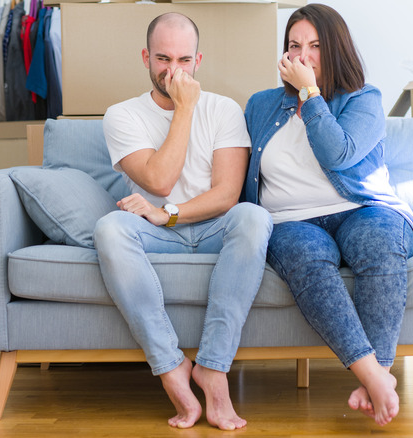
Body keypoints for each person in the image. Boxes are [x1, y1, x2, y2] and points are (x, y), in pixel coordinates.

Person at [243, 4, 413, 426]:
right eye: (294, 46)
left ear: (336, 49)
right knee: (306, 257)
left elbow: (338, 152)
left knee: (379, 242)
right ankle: (376, 378)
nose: (302, 56)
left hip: (360, 209)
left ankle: (377, 371)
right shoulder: (260, 106)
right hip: (291, 220)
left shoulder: (364, 99)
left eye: (315, 46)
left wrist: (310, 95)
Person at [94, 12, 272, 431]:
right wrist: (184, 109)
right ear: (145, 57)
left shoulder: (225, 109)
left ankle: (211, 368)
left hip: (210, 226)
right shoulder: (121, 115)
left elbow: (227, 194)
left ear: (199, 60)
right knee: (109, 229)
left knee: (253, 216)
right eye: (162, 59)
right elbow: (160, 178)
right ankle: (172, 368)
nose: (174, 71)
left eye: (184, 60)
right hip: (153, 233)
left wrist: (167, 212)